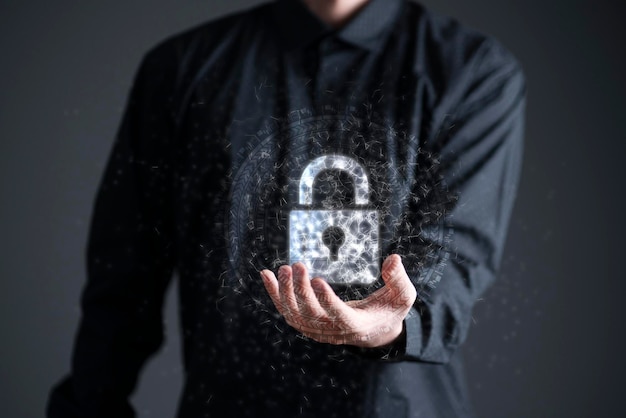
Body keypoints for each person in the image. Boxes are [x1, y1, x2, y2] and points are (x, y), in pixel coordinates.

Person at [47, 0, 525, 417]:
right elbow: (124, 277)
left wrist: (395, 324)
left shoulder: (471, 71)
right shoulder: (182, 69)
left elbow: (456, 258)